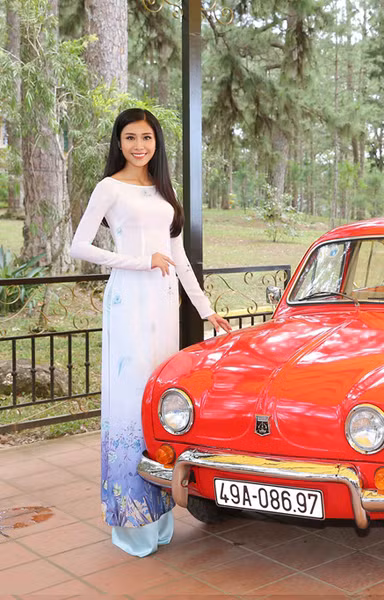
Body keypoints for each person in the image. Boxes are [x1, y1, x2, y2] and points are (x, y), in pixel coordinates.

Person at [70, 108, 231, 557]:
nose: (138, 145)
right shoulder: (109, 187)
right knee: (130, 402)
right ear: (118, 143)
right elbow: (79, 245)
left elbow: (179, 259)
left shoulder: (164, 191)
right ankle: (131, 523)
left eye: (146, 137)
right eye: (130, 137)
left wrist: (206, 310)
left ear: (156, 142)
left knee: (159, 400)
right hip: (129, 302)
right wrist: (141, 262)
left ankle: (158, 517)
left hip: (162, 306)